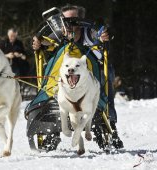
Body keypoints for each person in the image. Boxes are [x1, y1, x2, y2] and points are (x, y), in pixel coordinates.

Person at [32, 4, 123, 149]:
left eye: (74, 19)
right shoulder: (57, 34)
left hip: (93, 75)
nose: (70, 23)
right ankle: (50, 131)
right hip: (60, 81)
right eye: (66, 20)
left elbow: (101, 34)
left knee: (108, 76)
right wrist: (38, 42)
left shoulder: (89, 32)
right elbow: (43, 41)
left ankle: (110, 124)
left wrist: (105, 33)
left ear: (82, 20)